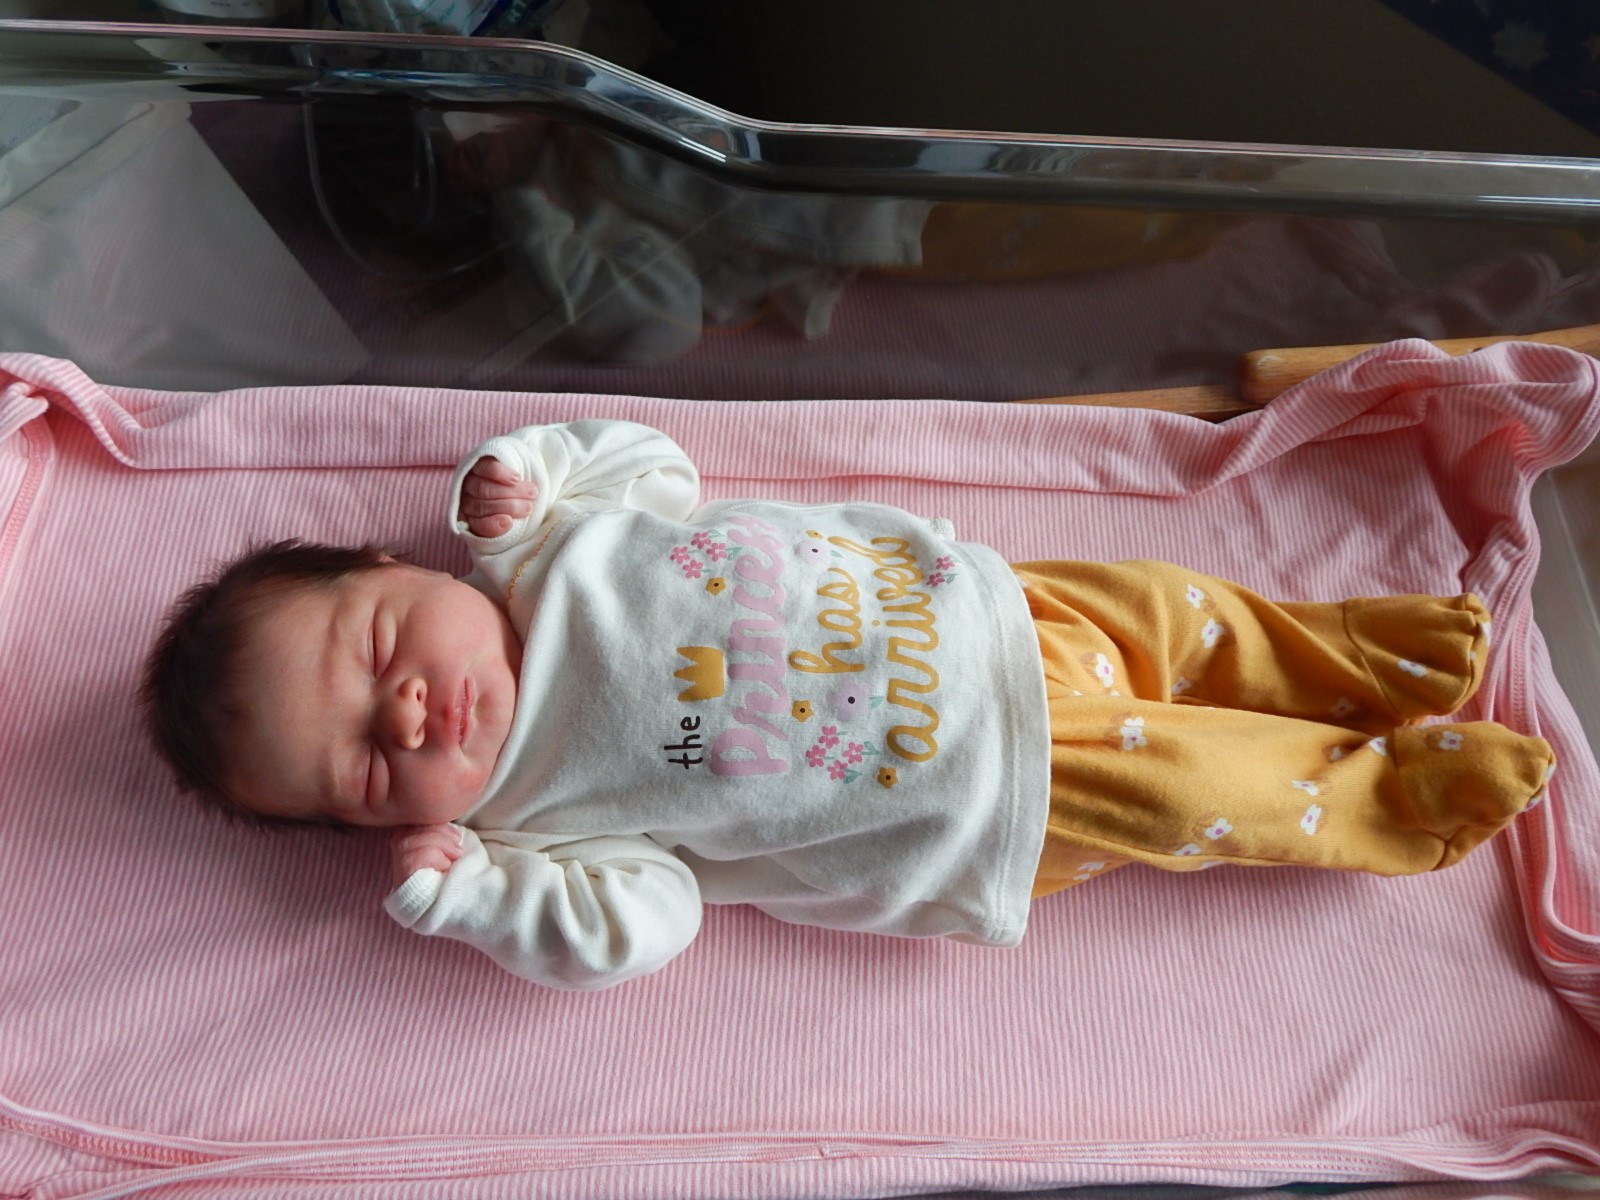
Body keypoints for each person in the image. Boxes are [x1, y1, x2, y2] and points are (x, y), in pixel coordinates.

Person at [140, 420, 1555, 990]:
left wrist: (535, 470)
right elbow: (651, 926)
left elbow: (659, 468)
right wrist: (479, 900)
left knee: (1190, 615)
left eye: (381, 648)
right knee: (1209, 792)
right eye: (366, 769)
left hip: (996, 612)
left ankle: (1355, 660)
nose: (405, 718)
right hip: (987, 797)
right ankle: (1390, 797)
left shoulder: (545, 543)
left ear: (401, 566)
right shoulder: (532, 828)